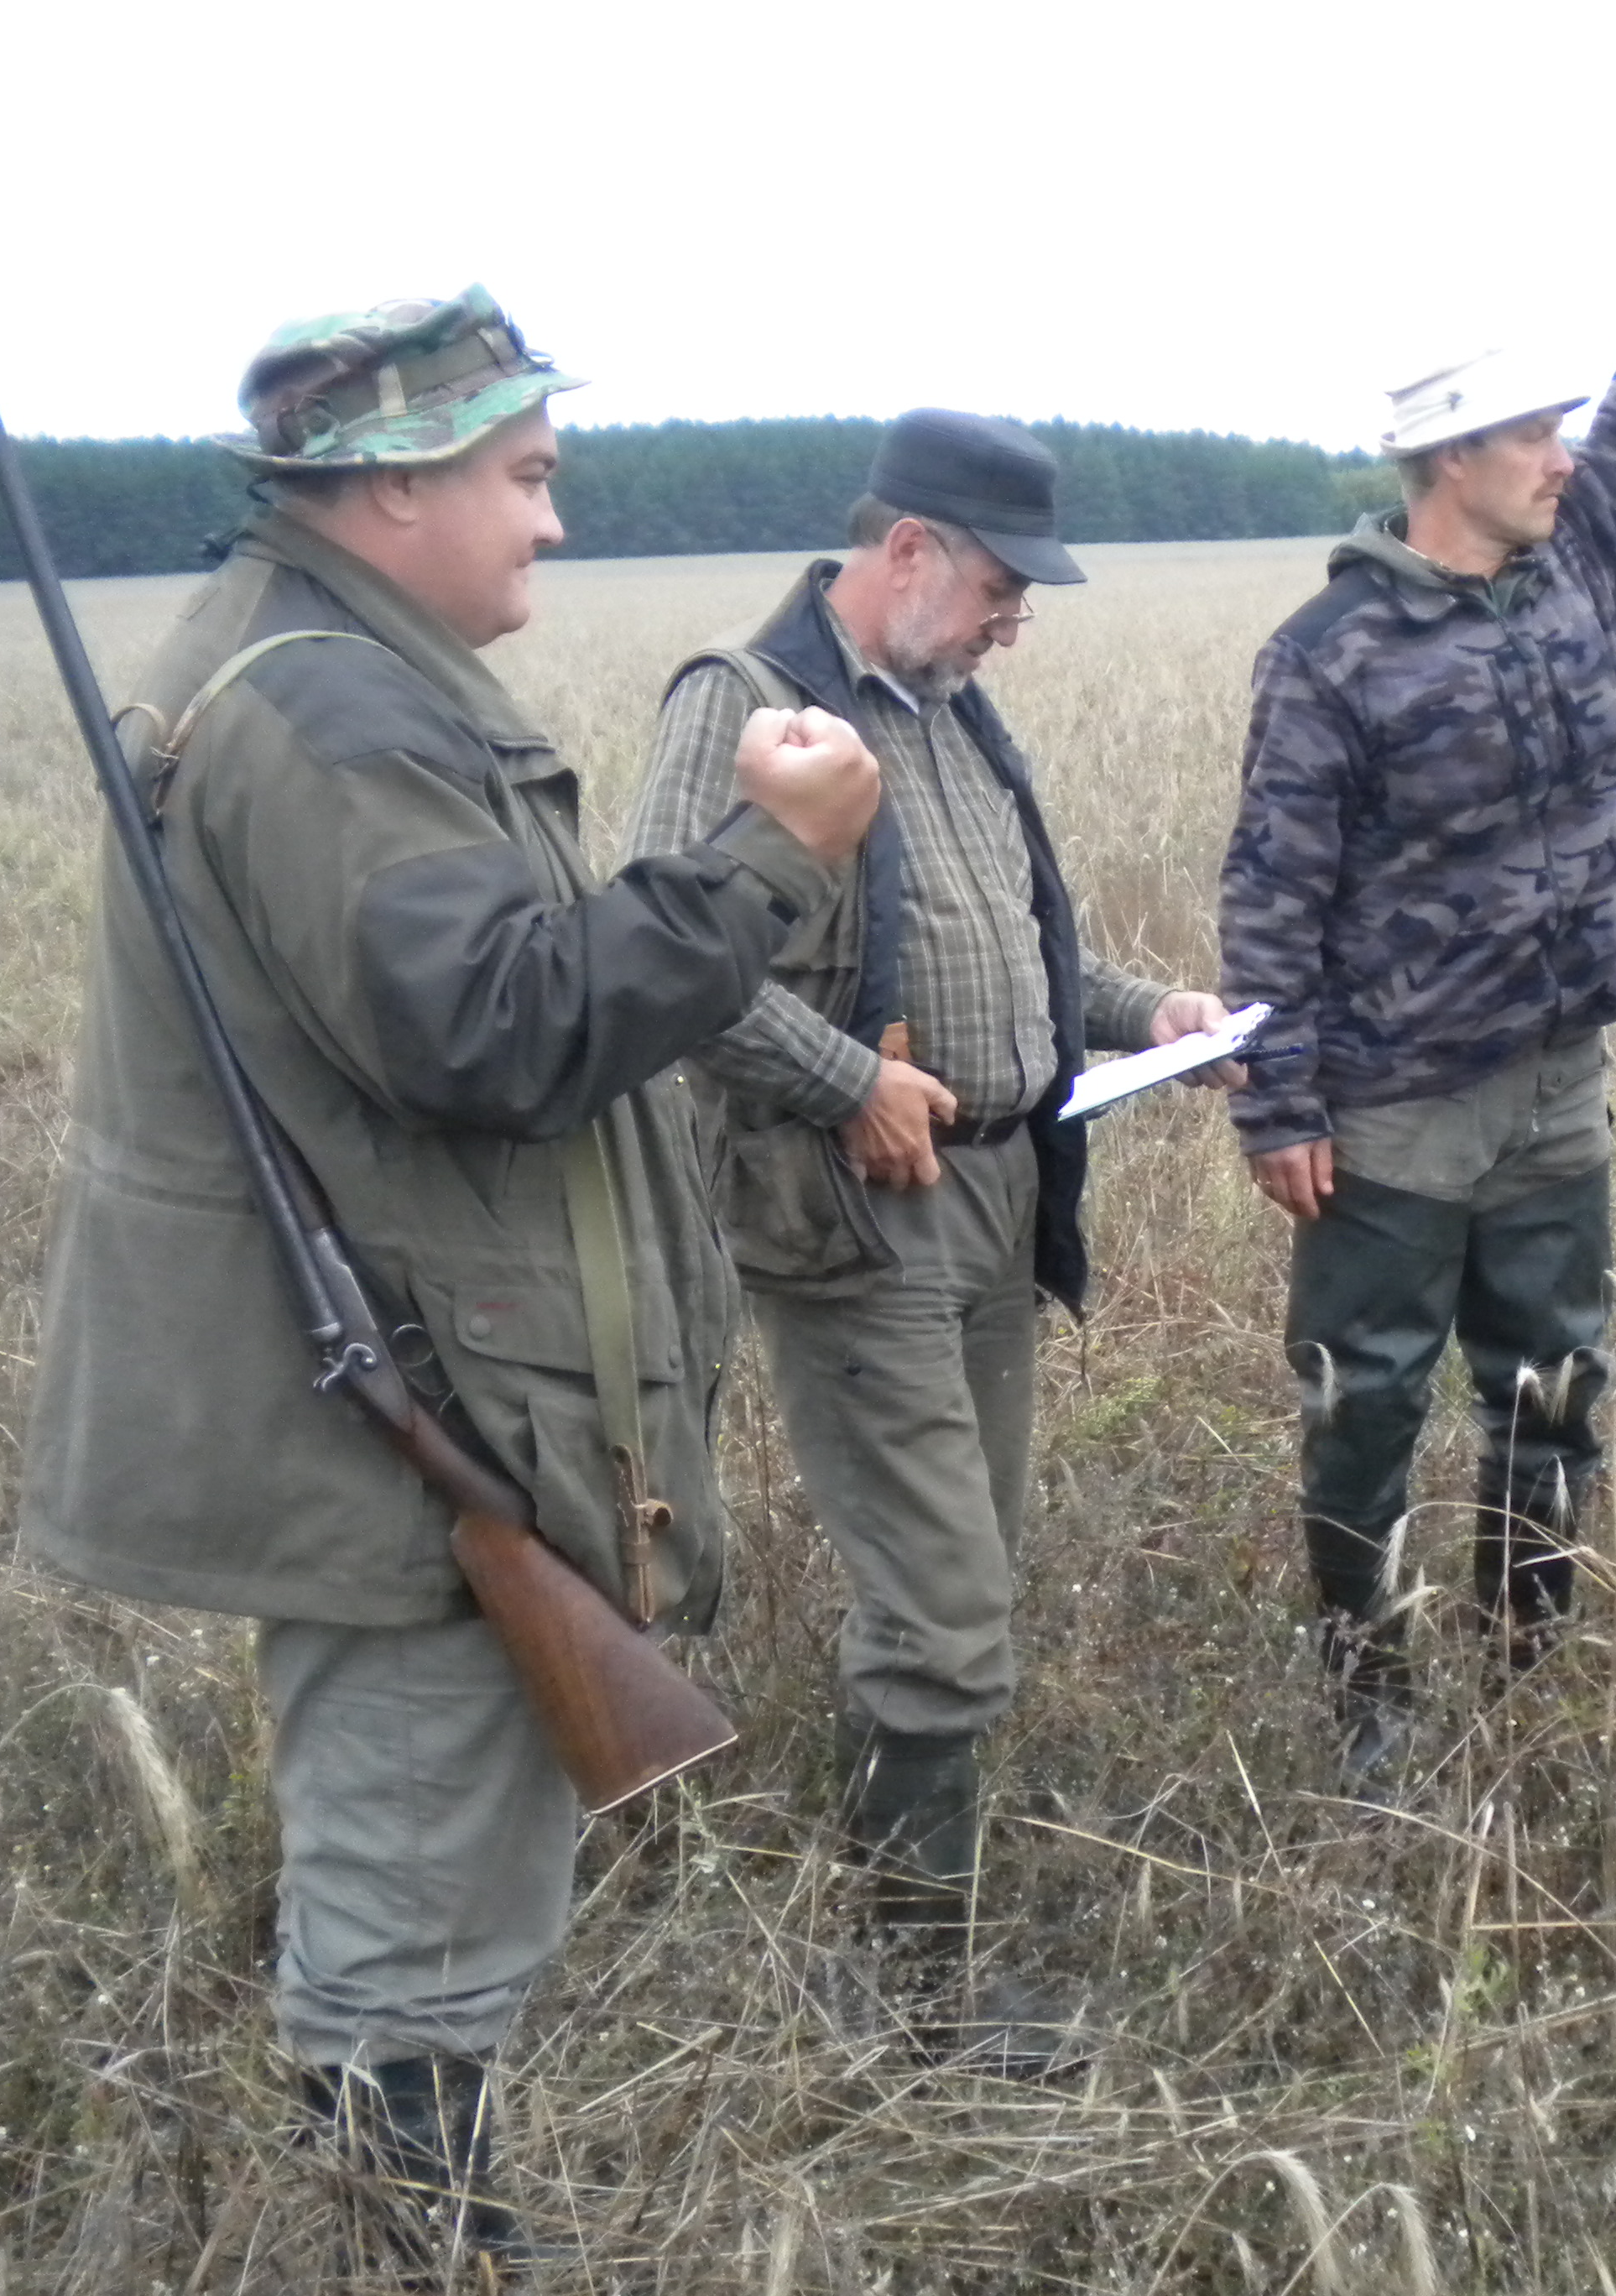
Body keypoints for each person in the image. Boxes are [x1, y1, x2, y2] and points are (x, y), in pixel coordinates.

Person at [16, 288, 877, 2268]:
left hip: (429, 1409)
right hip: (413, 1445)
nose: (554, 520)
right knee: (405, 1966)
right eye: (527, 474)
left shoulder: (334, 677)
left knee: (430, 1926)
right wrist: (773, 857)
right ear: (396, 485)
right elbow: (506, 1030)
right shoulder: (326, 712)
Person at [626, 410, 1233, 2073]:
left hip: (998, 1196)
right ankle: (913, 2006)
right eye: (999, 589)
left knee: (969, 1571)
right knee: (947, 1605)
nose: (1012, 624)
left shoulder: (950, 712)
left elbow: (1016, 953)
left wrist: (1151, 1011)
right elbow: (668, 965)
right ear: (907, 551)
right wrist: (848, 1084)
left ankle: (916, 1952)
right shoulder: (745, 706)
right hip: (855, 1213)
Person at [1216, 76, 1616, 1790]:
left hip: (1553, 1085)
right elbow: (1272, 890)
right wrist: (1278, 1098)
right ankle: (1372, 1699)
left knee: (1552, 1389)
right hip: (1393, 1108)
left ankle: (1526, 1667)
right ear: (1449, 460)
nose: (1566, 454)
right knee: (1367, 1400)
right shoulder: (1330, 655)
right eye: (1534, 433)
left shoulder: (1575, 572)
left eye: (1560, 429)